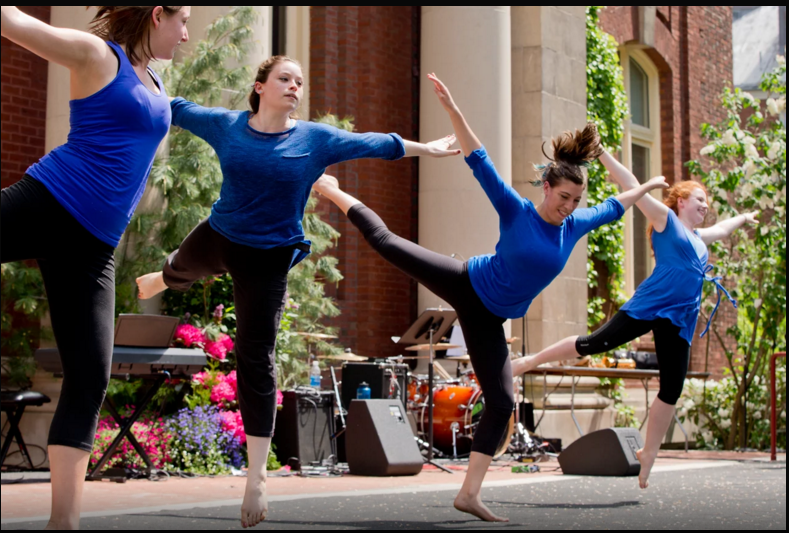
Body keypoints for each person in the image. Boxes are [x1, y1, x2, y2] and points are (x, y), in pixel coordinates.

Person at [309, 73, 668, 522]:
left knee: (502, 402)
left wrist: (649, 186)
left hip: (488, 319)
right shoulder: (516, 210)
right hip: (466, 282)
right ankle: (330, 188)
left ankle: (469, 494)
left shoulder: (575, 226)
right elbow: (479, 159)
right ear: (546, 188)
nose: (569, 207)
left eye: (576, 200)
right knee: (386, 243)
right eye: (563, 197)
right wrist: (455, 110)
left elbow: (619, 203)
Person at [134, 55, 460, 529]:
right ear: (260, 86)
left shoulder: (314, 139)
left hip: (267, 258)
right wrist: (129, 70)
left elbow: (374, 144)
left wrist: (427, 149)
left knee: (255, 357)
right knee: (181, 266)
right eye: (285, 79)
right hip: (220, 235)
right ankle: (164, 276)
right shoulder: (227, 126)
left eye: (300, 82)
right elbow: (174, 107)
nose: (294, 87)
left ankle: (257, 476)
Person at [0, 6, 190, 530]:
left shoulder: (156, 79)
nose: (187, 33)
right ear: (158, 16)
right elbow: (15, 22)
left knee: (89, 376)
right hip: (48, 202)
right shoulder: (95, 56)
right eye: (182, 20)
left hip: (92, 246)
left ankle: (64, 523)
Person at [511, 150, 758, 490]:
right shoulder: (664, 220)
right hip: (651, 306)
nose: (705, 207)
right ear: (681, 200)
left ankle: (649, 454)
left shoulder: (701, 240)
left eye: (707, 203)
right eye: (700, 200)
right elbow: (631, 184)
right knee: (593, 344)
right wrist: (602, 155)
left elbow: (723, 228)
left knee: (672, 388)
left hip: (680, 319)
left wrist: (743, 217)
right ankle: (528, 362)